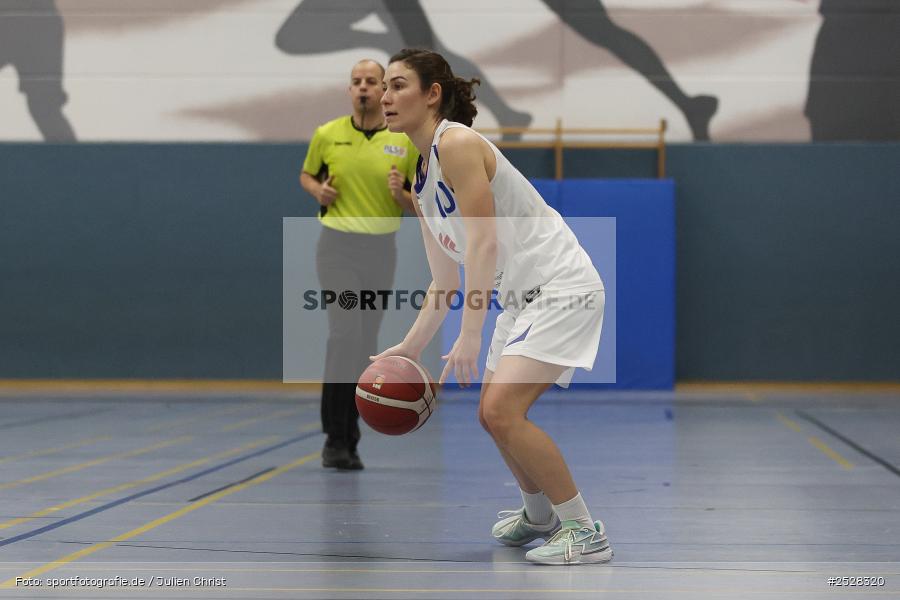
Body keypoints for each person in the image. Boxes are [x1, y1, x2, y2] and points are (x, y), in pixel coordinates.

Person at [370, 48, 611, 565]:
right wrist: (409, 349)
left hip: (560, 286)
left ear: (432, 94)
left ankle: (584, 531)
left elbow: (483, 243)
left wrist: (470, 333)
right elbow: (444, 280)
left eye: (398, 85)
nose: (385, 96)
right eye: (384, 87)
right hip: (520, 299)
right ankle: (539, 516)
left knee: (503, 410)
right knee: (491, 415)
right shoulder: (420, 180)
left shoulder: (456, 143)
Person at [300, 59, 419, 471]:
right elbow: (307, 175)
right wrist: (319, 191)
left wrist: (401, 196)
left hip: (380, 251)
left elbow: (418, 201)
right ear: (349, 90)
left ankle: (351, 437)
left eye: (372, 81)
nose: (364, 88)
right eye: (357, 82)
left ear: (384, 90)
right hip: (338, 248)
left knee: (366, 342)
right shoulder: (327, 134)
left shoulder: (403, 142)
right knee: (344, 333)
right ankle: (335, 438)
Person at [0, 0, 76, 141]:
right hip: (35, 23)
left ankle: (68, 154)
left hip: (38, 24)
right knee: (44, 107)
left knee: (44, 106)